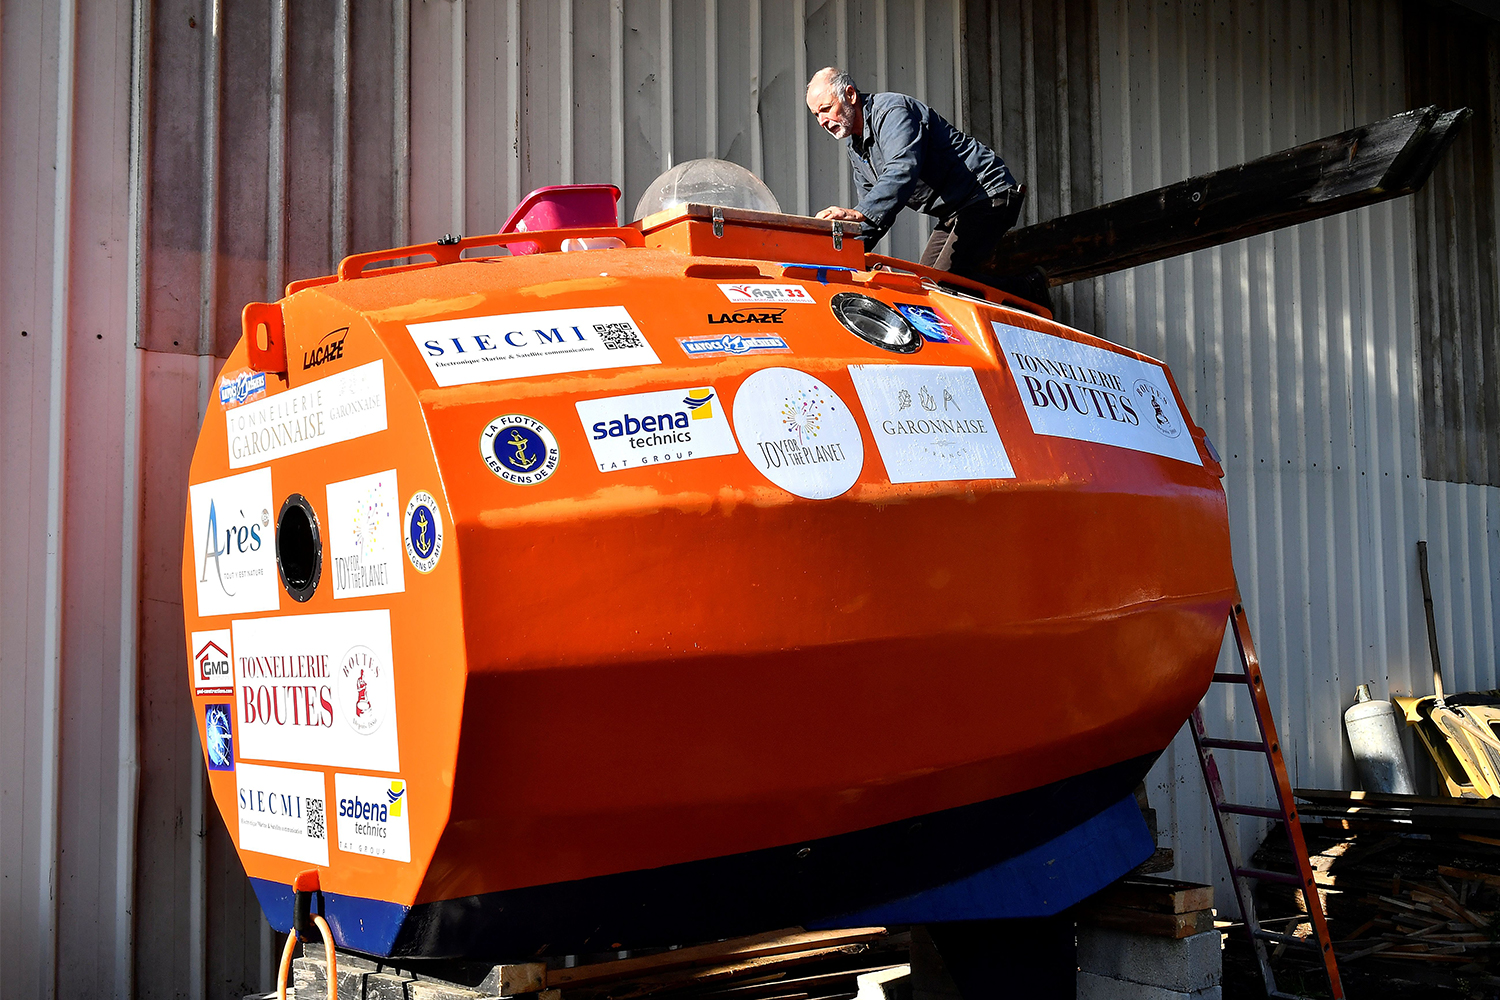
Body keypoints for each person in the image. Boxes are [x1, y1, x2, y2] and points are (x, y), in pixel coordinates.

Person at [805, 66, 1026, 288]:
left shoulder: (892, 112)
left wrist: (859, 213)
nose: (822, 121)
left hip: (987, 194)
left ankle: (1029, 289)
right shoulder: (857, 147)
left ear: (850, 95)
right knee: (921, 285)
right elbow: (875, 214)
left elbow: (902, 169)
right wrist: (840, 258)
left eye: (826, 108)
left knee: (939, 287)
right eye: (816, 115)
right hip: (954, 212)